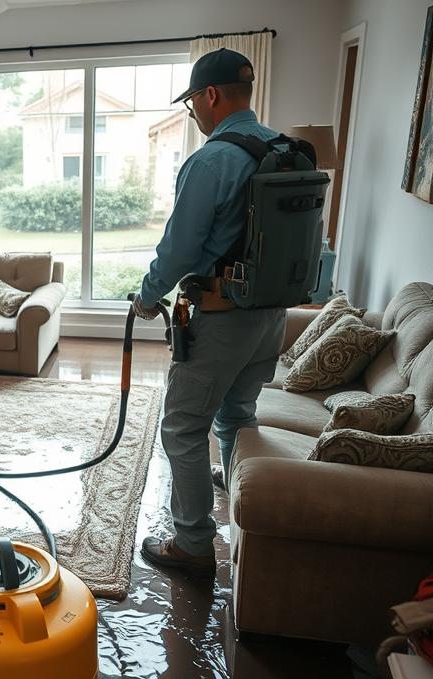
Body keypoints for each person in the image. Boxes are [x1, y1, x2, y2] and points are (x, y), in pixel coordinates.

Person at [132, 48, 287, 576]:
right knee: (237, 413)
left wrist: (148, 295)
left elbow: (180, 250)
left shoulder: (211, 161)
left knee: (181, 428)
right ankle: (231, 482)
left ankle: (193, 545)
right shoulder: (284, 149)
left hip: (223, 318)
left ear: (211, 95)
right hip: (271, 318)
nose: (194, 111)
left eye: (193, 100)